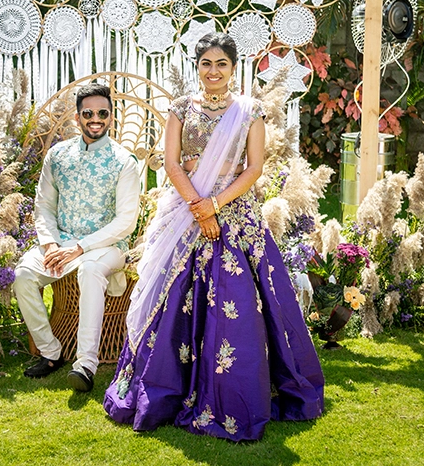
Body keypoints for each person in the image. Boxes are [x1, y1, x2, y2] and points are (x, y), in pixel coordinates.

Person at [103, 33, 324, 441]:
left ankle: (238, 393)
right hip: (185, 211)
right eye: (206, 63)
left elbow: (254, 168)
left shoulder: (250, 111)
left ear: (234, 68)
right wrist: (197, 206)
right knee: (169, 298)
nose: (213, 71)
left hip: (234, 212)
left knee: (238, 300)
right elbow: (171, 163)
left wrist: (216, 204)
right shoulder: (181, 108)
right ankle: (168, 391)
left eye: (221, 63)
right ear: (197, 67)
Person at [14, 83, 139, 392]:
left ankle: (85, 364)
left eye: (102, 113)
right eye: (88, 113)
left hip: (106, 247)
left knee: (90, 269)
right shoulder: (57, 155)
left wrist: (80, 248)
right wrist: (52, 244)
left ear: (111, 116)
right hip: (61, 242)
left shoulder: (124, 161)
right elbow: (43, 205)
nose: (95, 118)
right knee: (23, 275)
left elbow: (126, 221)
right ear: (77, 116)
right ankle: (50, 351)